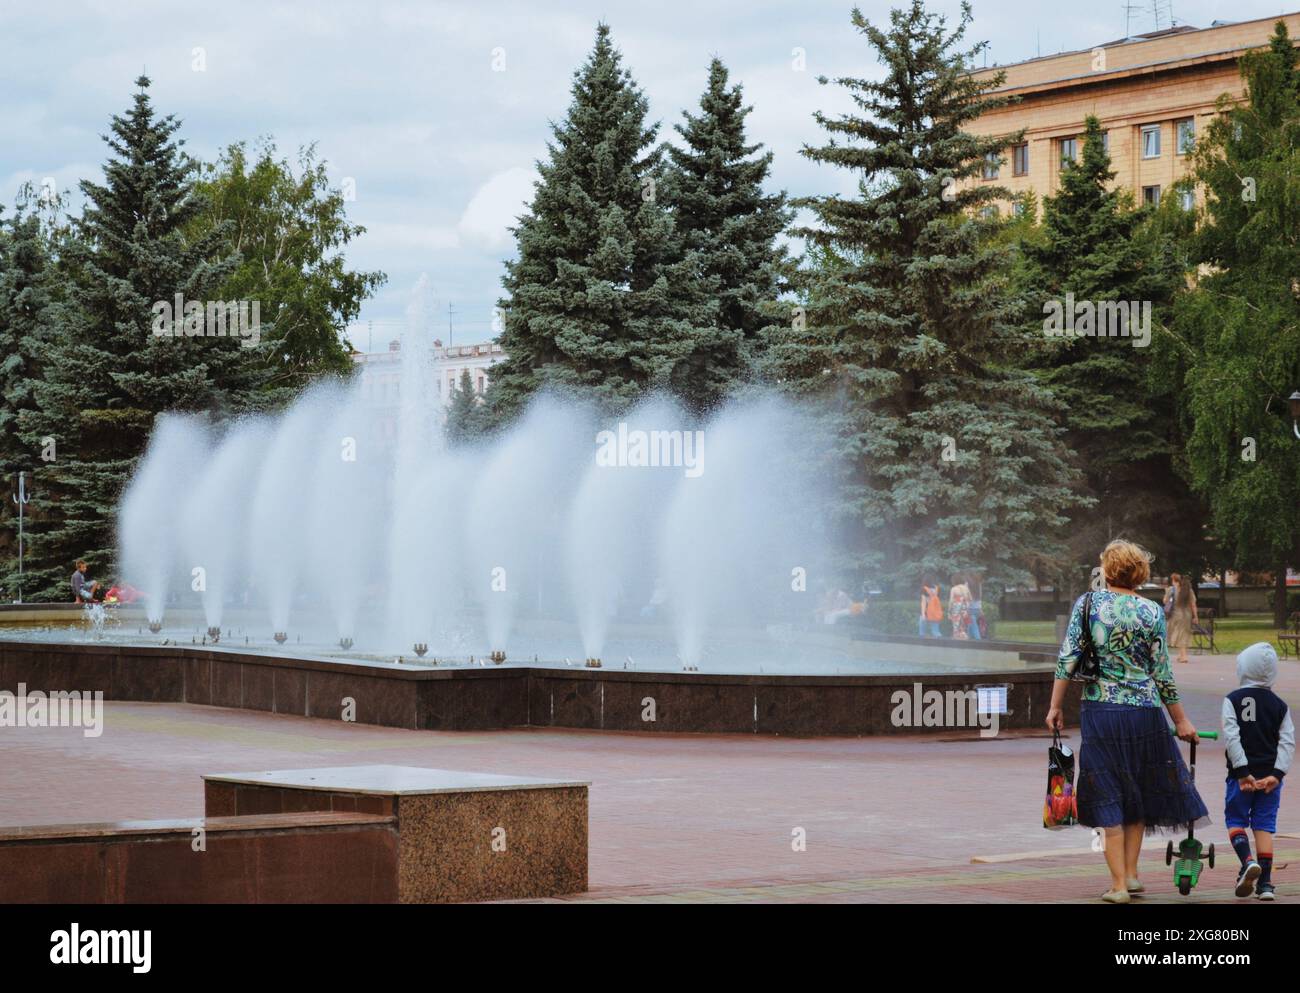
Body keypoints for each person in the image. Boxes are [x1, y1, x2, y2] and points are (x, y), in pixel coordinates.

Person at [1046, 539, 1208, 904]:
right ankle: (1133, 875)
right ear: (1139, 573)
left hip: (1102, 713)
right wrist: (1180, 721)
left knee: (1108, 793)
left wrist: (1056, 706)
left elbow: (1067, 659)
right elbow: (1162, 672)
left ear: (1107, 569)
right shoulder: (1151, 611)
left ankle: (1118, 884)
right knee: (1136, 792)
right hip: (1145, 714)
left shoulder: (1088, 605)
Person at [1222, 642, 1294, 900]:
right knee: (1264, 826)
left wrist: (1242, 772)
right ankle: (1265, 884)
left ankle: (1247, 860)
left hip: (1242, 778)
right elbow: (1287, 742)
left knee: (1235, 820)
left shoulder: (1232, 700)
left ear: (1243, 668)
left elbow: (1232, 739)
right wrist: (1277, 774)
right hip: (1269, 780)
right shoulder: (1279, 705)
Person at [1165, 573, 1197, 663]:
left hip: (1176, 615)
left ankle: (1184, 656)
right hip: (1187, 616)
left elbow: (1165, 601)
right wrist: (1195, 617)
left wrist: (1165, 592)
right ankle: (1181, 655)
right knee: (1183, 634)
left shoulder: (1171, 590)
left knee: (1179, 635)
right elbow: (1193, 605)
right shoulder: (1189, 591)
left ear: (1174, 581)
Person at [948, 575, 972, 641]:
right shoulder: (966, 588)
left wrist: (949, 612)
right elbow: (970, 599)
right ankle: (964, 640)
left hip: (956, 609)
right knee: (963, 626)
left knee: (956, 627)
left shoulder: (954, 588)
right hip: (964, 609)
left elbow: (951, 601)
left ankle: (957, 643)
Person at [966, 573, 984, 640]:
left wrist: (966, 608)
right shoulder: (979, 584)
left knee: (973, 625)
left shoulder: (967, 584)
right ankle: (968, 638)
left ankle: (978, 639)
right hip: (977, 609)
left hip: (970, 609)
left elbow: (967, 598)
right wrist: (981, 609)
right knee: (970, 625)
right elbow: (980, 598)